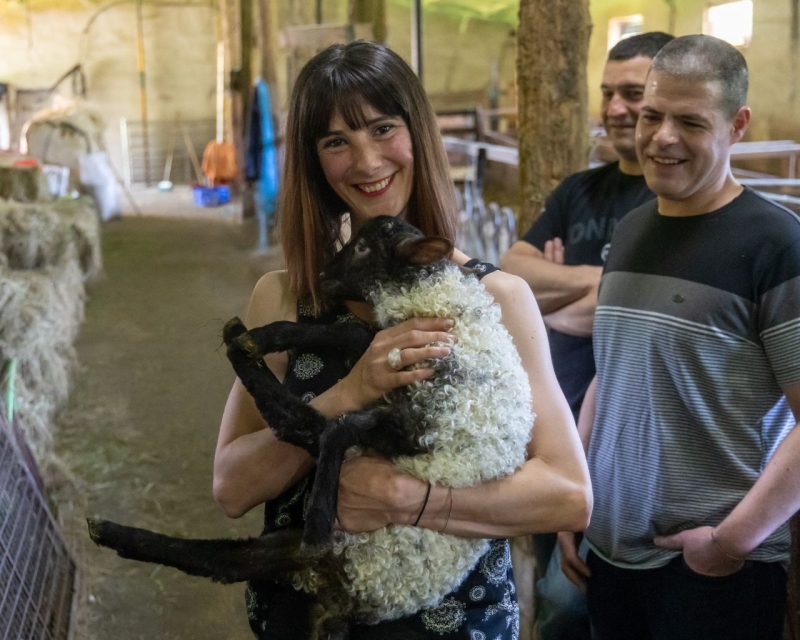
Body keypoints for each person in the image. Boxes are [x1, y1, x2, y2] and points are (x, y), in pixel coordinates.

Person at [212, 40, 591, 639]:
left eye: (383, 128)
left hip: (456, 621)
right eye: (336, 141)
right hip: (312, 618)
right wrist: (350, 391)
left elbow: (569, 496)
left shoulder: (499, 300)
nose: (366, 162)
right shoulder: (285, 298)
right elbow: (232, 487)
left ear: (418, 133)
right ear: (314, 162)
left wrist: (411, 499)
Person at [559, 34, 800, 640]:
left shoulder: (777, 245)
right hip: (611, 557)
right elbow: (609, 377)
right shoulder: (634, 229)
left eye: (690, 121)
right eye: (652, 116)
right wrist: (573, 496)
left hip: (710, 571)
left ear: (737, 125)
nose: (663, 137)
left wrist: (731, 541)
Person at [500, 31, 673, 640]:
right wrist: (598, 282)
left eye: (633, 93)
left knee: (575, 605)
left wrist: (553, 298)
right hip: (549, 424)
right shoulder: (580, 189)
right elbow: (511, 273)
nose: (616, 107)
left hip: (622, 437)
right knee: (555, 600)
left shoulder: (671, 195)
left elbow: (630, 310)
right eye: (609, 93)